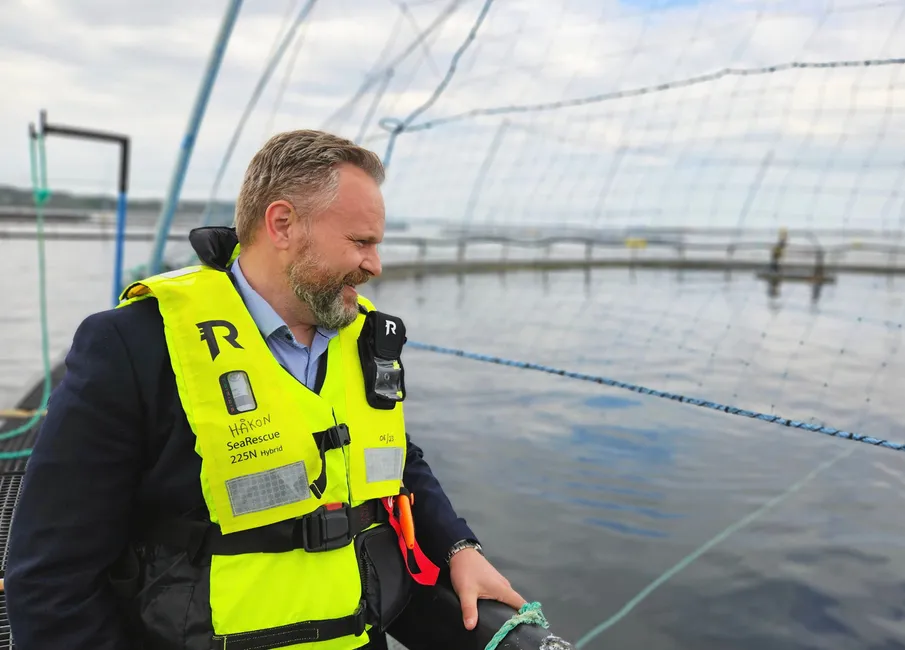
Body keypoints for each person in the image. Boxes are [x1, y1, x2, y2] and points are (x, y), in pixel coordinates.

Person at [5, 129, 525, 649]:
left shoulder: (367, 339)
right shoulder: (135, 345)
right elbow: (52, 578)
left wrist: (459, 546)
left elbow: (396, 460)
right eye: (360, 242)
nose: (375, 265)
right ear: (282, 224)